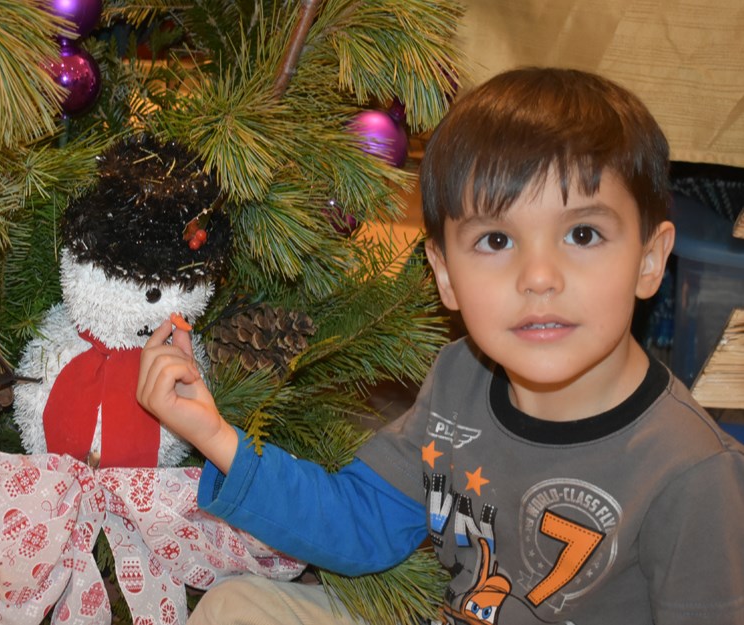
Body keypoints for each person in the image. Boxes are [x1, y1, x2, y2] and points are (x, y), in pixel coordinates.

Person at [137, 67, 744, 625]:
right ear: (446, 273)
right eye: (497, 240)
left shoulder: (690, 470)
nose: (538, 277)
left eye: (582, 233)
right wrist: (214, 434)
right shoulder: (461, 377)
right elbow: (360, 522)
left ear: (649, 258)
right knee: (236, 607)